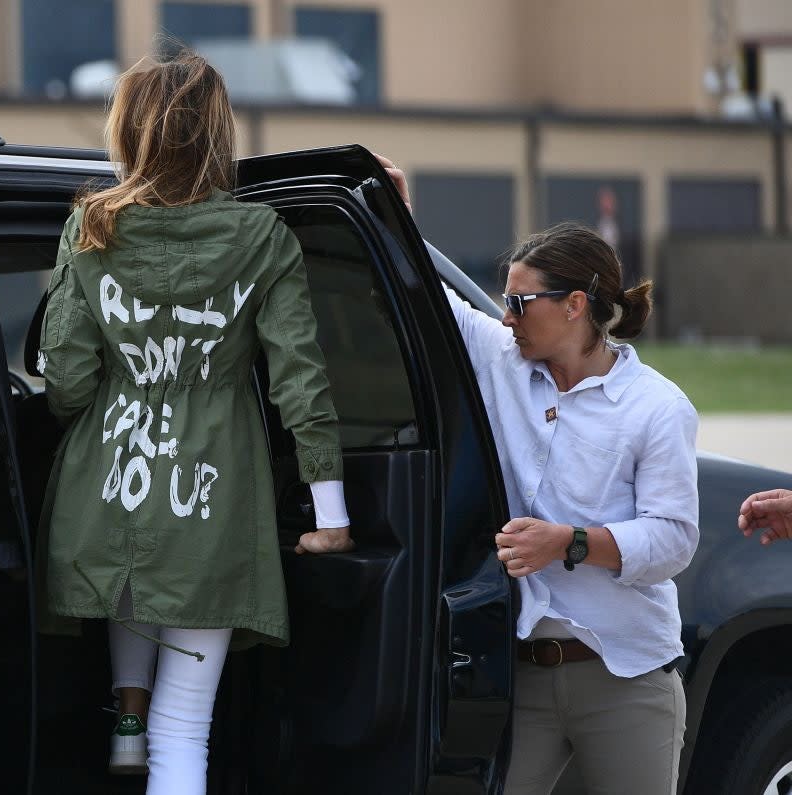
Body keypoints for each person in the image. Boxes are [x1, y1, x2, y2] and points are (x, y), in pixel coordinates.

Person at [37, 52, 352, 795]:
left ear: (130, 130)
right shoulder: (264, 237)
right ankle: (145, 724)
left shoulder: (90, 227)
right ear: (218, 132)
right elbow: (299, 379)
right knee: (188, 735)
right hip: (211, 499)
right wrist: (330, 513)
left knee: (131, 584)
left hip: (107, 488)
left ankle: (125, 712)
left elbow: (67, 380)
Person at [377, 155, 697, 795]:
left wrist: (569, 542)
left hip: (626, 675)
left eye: (520, 302)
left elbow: (673, 541)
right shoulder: (502, 357)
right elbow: (425, 296)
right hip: (520, 673)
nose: (506, 317)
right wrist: (395, 220)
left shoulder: (658, 407)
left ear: (575, 304)